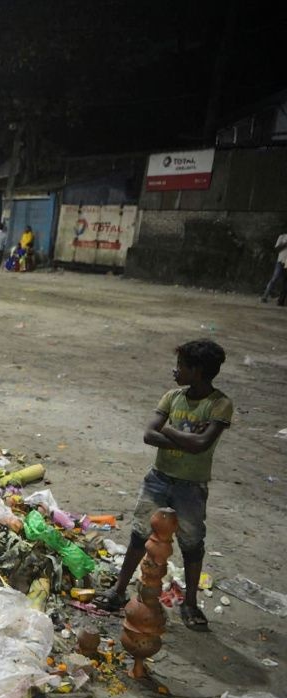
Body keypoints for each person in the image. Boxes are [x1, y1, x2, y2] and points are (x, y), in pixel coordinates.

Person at [94, 340, 232, 631]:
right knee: (139, 534)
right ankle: (119, 591)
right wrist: (186, 440)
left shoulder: (219, 404)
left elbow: (201, 443)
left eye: (181, 366)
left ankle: (190, 603)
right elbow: (150, 435)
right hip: (159, 477)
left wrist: (168, 430)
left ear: (197, 371)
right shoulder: (172, 396)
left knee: (191, 543)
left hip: (191, 485)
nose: (175, 370)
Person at [258, 231, 287, 305]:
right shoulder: (282, 236)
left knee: (285, 282)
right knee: (275, 278)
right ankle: (265, 296)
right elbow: (277, 248)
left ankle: (281, 301)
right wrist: (285, 243)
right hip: (281, 261)